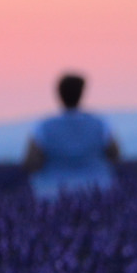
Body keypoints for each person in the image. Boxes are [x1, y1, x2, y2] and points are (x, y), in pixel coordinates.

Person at [24, 72, 120, 201]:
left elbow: (31, 161)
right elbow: (115, 154)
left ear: (59, 93)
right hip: (97, 188)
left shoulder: (44, 126)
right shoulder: (99, 123)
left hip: (52, 191)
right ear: (82, 92)